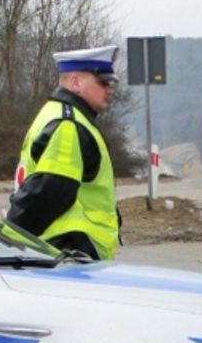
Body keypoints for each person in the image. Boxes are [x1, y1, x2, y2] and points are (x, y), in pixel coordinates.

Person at [7, 45, 121, 260]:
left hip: (62, 248)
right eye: (103, 82)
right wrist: (11, 233)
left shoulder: (58, 113)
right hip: (70, 251)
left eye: (111, 83)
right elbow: (49, 192)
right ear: (75, 82)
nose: (110, 89)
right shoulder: (69, 125)